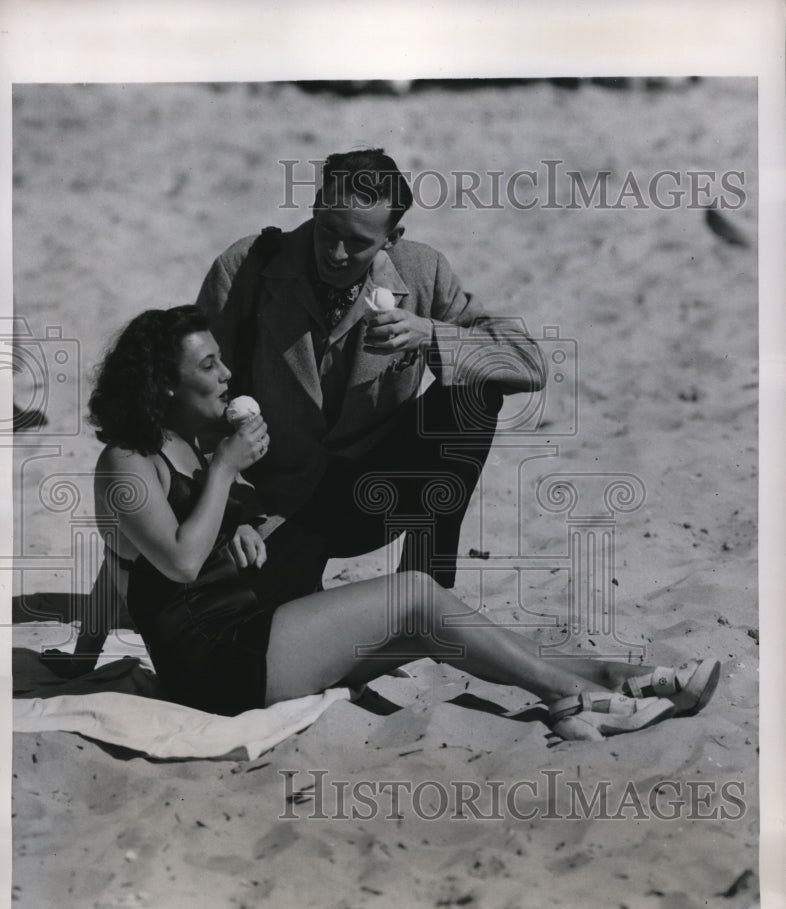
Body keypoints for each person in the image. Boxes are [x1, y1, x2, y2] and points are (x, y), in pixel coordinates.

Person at [84, 304, 719, 738]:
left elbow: (213, 536)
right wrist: (224, 472)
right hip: (214, 663)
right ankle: (576, 699)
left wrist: (240, 516)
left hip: (253, 629)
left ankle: (617, 677)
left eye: (222, 361)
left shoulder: (196, 445)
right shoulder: (126, 463)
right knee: (416, 594)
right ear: (163, 386)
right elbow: (180, 562)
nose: (226, 376)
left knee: (434, 629)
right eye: (208, 367)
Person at [196, 148, 546, 591]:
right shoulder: (246, 267)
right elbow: (195, 403)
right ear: (317, 204)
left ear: (391, 238)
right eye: (327, 229)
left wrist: (432, 335)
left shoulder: (423, 270)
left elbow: (528, 363)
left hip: (371, 497)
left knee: (473, 395)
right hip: (274, 505)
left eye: (359, 242)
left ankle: (424, 591)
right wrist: (236, 515)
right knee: (282, 629)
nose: (336, 253)